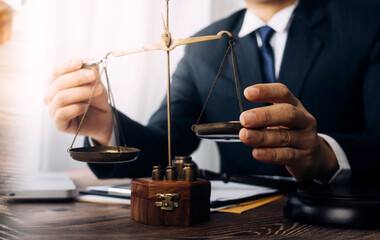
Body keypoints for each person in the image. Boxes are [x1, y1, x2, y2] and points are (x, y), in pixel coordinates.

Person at [44, 0, 379, 184]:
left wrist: (324, 155)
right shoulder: (203, 47)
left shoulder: (367, 20)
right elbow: (167, 143)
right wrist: (105, 128)